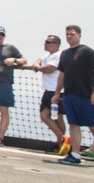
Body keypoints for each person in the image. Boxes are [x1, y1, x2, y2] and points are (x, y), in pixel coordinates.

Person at [52, 25, 94, 165]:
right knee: (73, 125)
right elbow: (62, 74)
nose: (69, 36)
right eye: (67, 34)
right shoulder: (65, 54)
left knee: (92, 124)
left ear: (79, 35)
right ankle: (75, 155)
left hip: (85, 94)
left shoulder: (87, 52)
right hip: (69, 95)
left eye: (72, 34)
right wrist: (57, 93)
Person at [31, 34, 67, 153]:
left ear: (56, 45)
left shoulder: (59, 56)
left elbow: (50, 68)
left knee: (58, 117)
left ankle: (62, 142)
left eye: (48, 42)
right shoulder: (48, 55)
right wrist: (37, 64)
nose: (45, 44)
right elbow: (39, 60)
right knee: (44, 115)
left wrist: (38, 68)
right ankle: (61, 139)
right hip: (48, 90)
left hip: (57, 91)